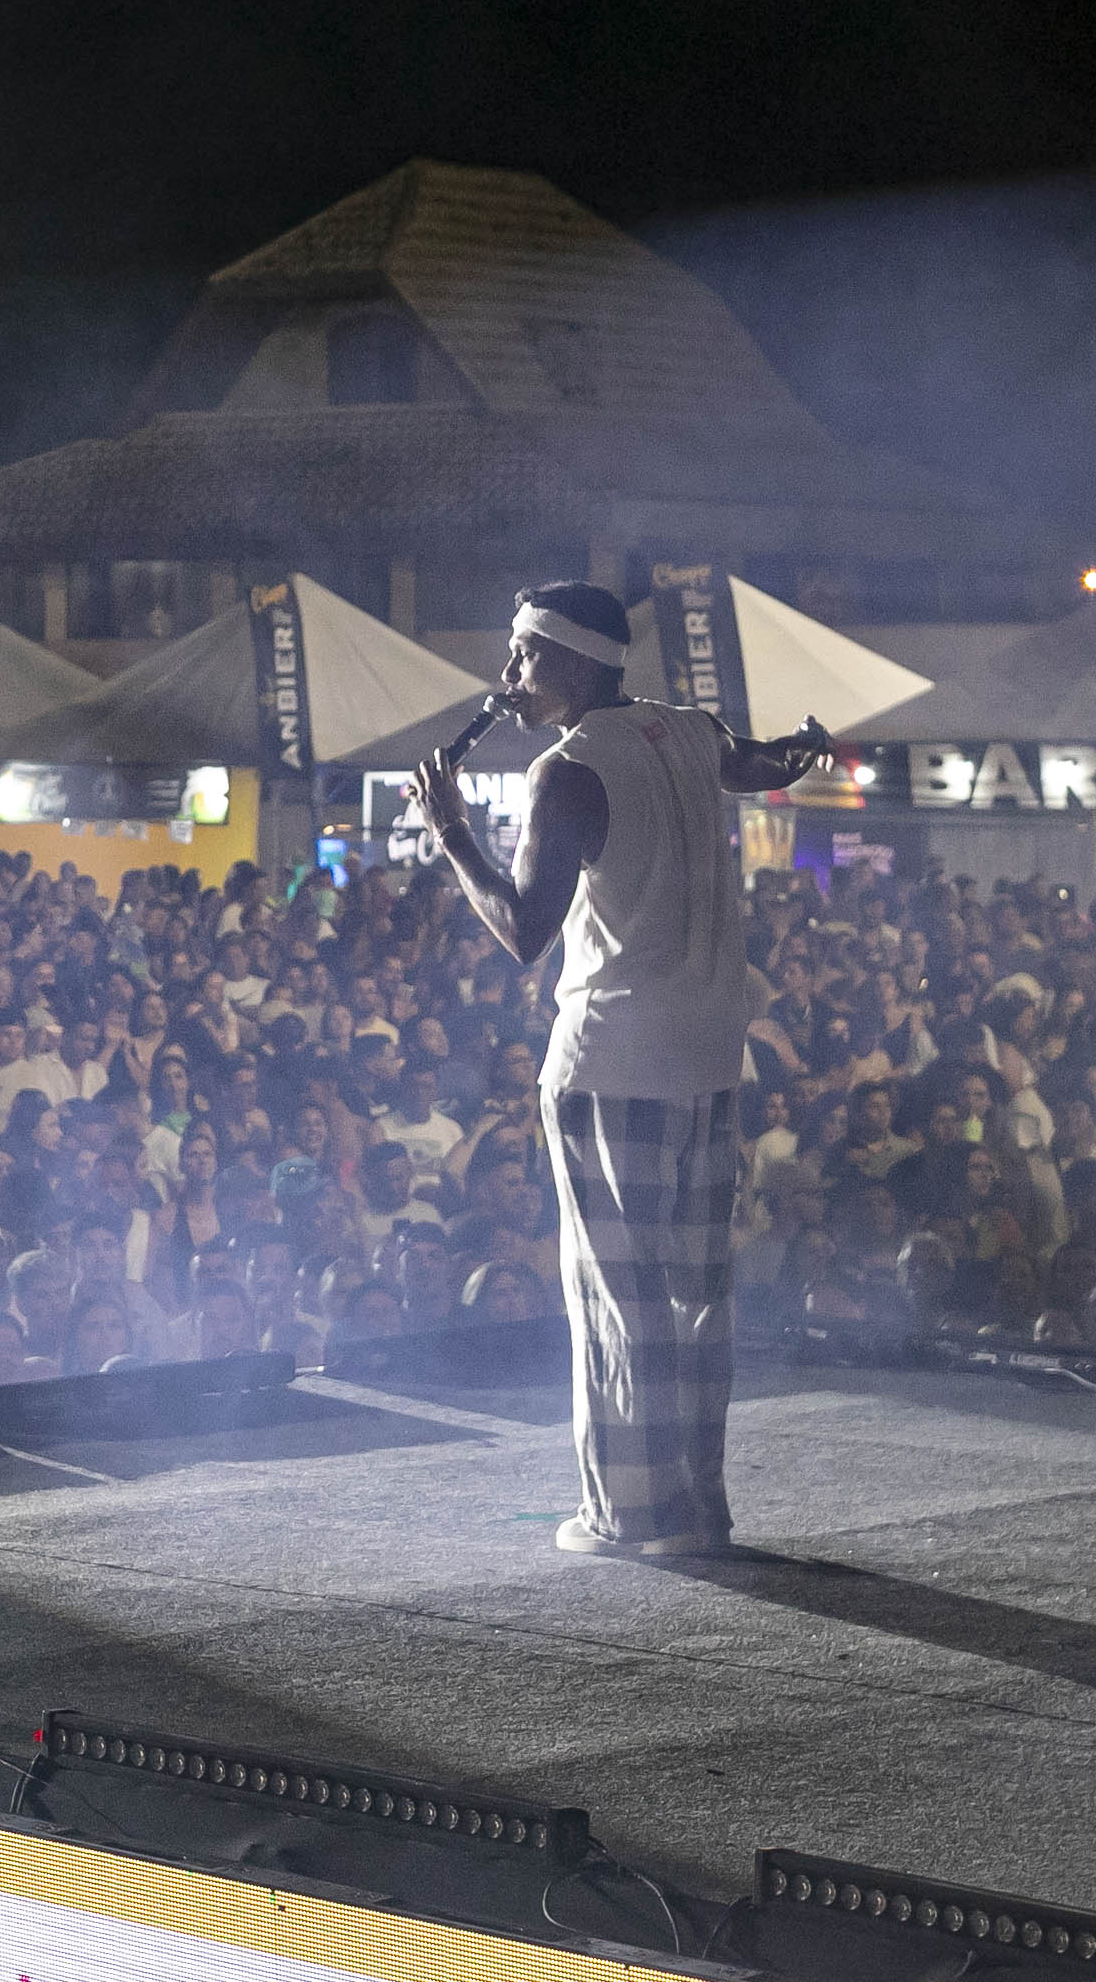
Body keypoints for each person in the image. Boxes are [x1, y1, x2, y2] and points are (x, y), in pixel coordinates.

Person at [415, 579, 827, 1558]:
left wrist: (451, 831)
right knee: (694, 1294)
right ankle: (697, 1507)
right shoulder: (689, 730)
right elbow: (760, 766)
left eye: (522, 654)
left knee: (618, 1296)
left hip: (613, 1063)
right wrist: (799, 747)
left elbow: (524, 930)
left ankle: (631, 1516)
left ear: (569, 660)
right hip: (709, 1055)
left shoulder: (565, 772)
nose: (508, 674)